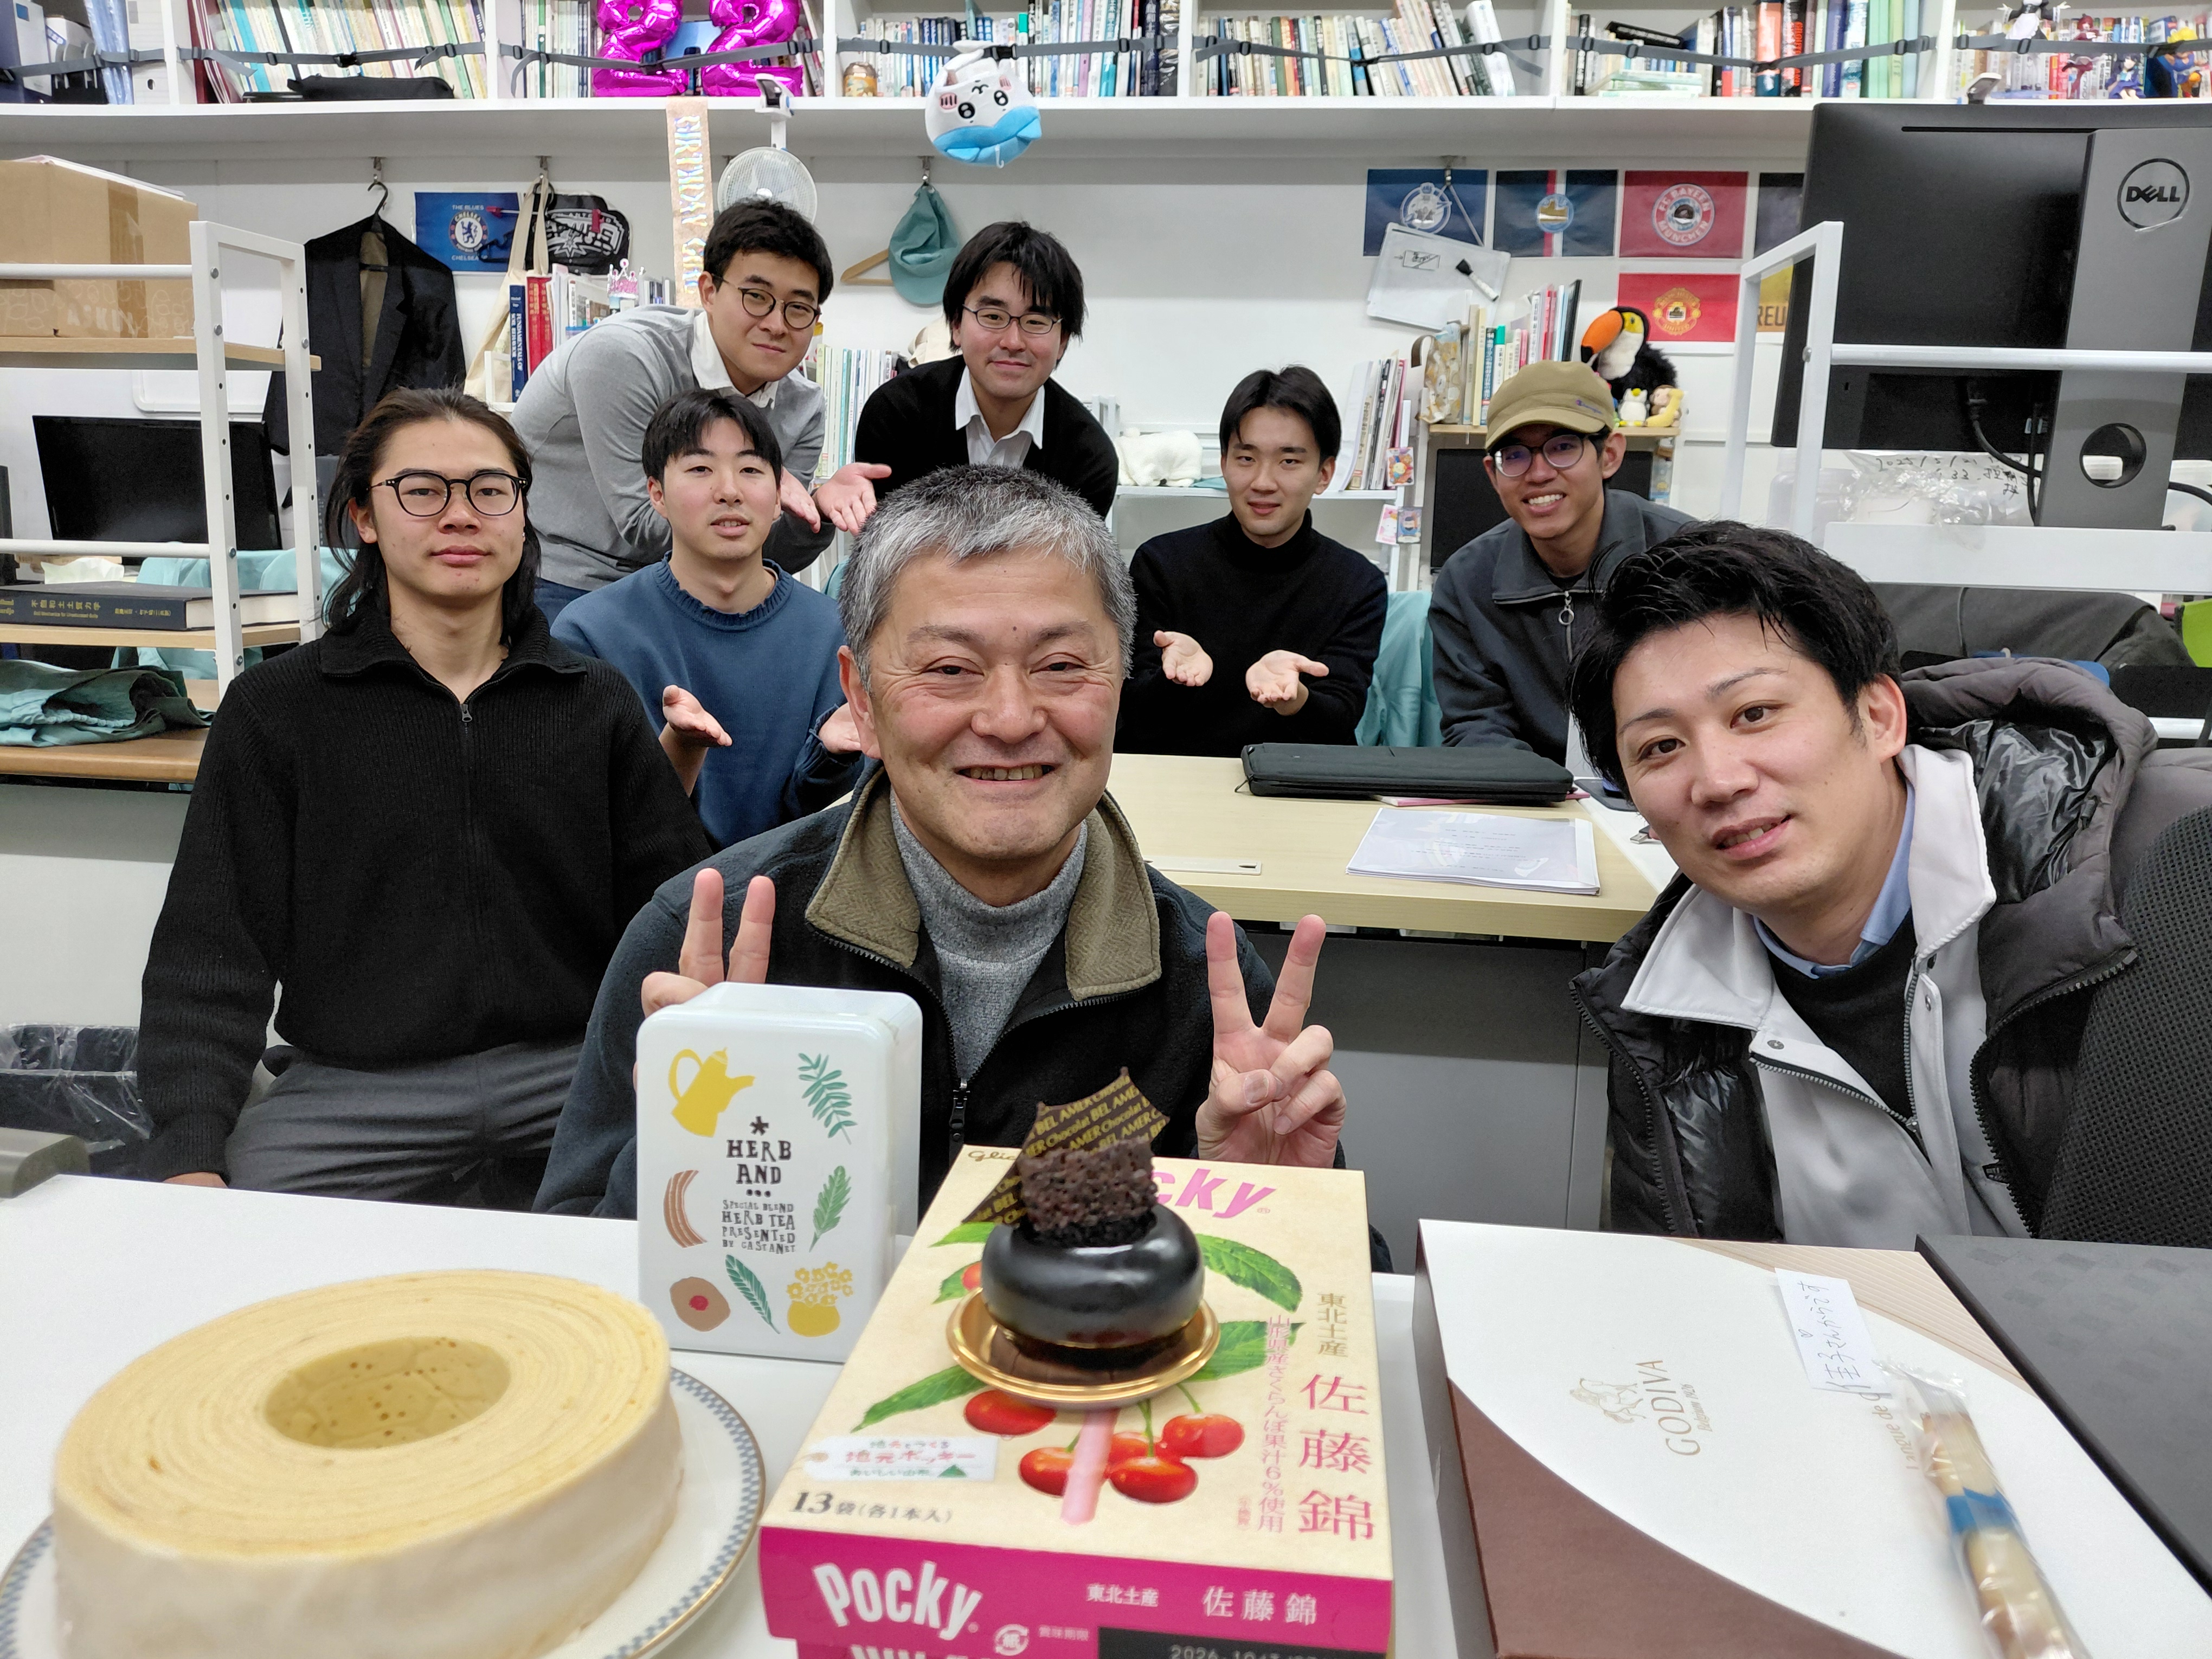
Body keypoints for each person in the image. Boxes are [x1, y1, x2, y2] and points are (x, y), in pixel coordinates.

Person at [538, 465, 1357, 1236]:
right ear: (861, 700)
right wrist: (681, 1148)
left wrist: (1279, 1210)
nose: (1009, 719)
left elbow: (1318, 1289)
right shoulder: (708, 945)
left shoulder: (1204, 980)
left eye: (1061, 664)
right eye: (950, 668)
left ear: (1119, 683)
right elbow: (574, 1262)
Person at [137, 389, 715, 1201]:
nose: (461, 515)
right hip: (356, 1092)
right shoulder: (278, 710)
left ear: (522, 510)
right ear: (364, 517)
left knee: (703, 1219)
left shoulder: (594, 702)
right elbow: (210, 949)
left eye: (490, 489)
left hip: (571, 1071)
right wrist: (189, 1149)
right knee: (236, 1251)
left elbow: (672, 914)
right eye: (421, 490)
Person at [1566, 523, 2212, 1247]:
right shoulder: (1658, 1015)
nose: (1717, 781)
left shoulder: (2173, 871)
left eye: (1755, 713)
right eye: (1661, 748)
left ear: (1878, 718)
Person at [513, 201, 890, 624]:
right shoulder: (623, 358)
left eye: (798, 308)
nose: (777, 324)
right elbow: (641, 528)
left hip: (705, 589)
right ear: (709, 291)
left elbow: (761, 552)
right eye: (757, 297)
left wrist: (815, 513)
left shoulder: (803, 408)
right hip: (574, 576)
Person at [551, 387, 861, 848]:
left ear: (780, 497)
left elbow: (838, 831)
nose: (729, 491)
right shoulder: (591, 633)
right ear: (656, 494)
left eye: (751, 470)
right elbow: (589, 824)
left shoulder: (838, 634)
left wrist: (830, 759)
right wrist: (680, 750)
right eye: (700, 469)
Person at [1430, 360, 1695, 767]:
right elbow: (1476, 725)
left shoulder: (1687, 558)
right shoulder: (1466, 582)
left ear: (1610, 455)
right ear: (1493, 475)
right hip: (1529, 791)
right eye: (1514, 455)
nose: (1538, 474)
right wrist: (1547, 792)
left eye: (1563, 447)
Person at [1117, 366, 1386, 756]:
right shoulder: (1160, 564)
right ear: (1224, 463)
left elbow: (1340, 718)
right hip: (1179, 777)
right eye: (1246, 458)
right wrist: (1173, 679)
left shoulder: (1357, 582)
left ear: (1324, 474)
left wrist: (1295, 698)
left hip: (1294, 778)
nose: (1263, 482)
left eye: (1289, 462)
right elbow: (1130, 711)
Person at [835, 222, 1118, 529]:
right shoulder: (896, 415)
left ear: (1063, 340)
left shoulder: (1089, 458)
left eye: (1036, 321)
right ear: (956, 325)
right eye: (993, 316)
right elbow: (886, 547)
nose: (1013, 342)